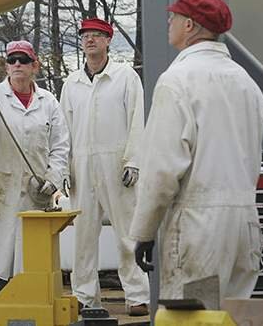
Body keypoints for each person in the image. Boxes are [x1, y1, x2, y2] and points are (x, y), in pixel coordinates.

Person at [130, 0, 263, 301]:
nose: (169, 21)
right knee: (233, 317)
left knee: (196, 316)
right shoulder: (246, 83)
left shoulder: (178, 80)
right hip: (245, 226)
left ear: (189, 25)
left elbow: (161, 171)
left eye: (174, 17)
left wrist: (144, 232)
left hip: (200, 229)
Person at [0, 40, 70, 297]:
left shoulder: (49, 102)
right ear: (7, 67)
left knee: (30, 262)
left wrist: (52, 179)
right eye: (12, 60)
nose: (17, 64)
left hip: (35, 195)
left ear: (35, 66)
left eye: (23, 59)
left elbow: (61, 146)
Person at [61, 18, 149, 316]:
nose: (90, 40)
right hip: (82, 166)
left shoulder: (124, 77)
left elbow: (137, 121)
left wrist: (133, 160)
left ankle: (137, 295)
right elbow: (64, 131)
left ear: (109, 40)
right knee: (83, 235)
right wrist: (63, 168)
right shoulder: (71, 83)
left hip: (117, 165)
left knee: (127, 232)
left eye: (97, 35)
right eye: (86, 35)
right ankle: (84, 296)